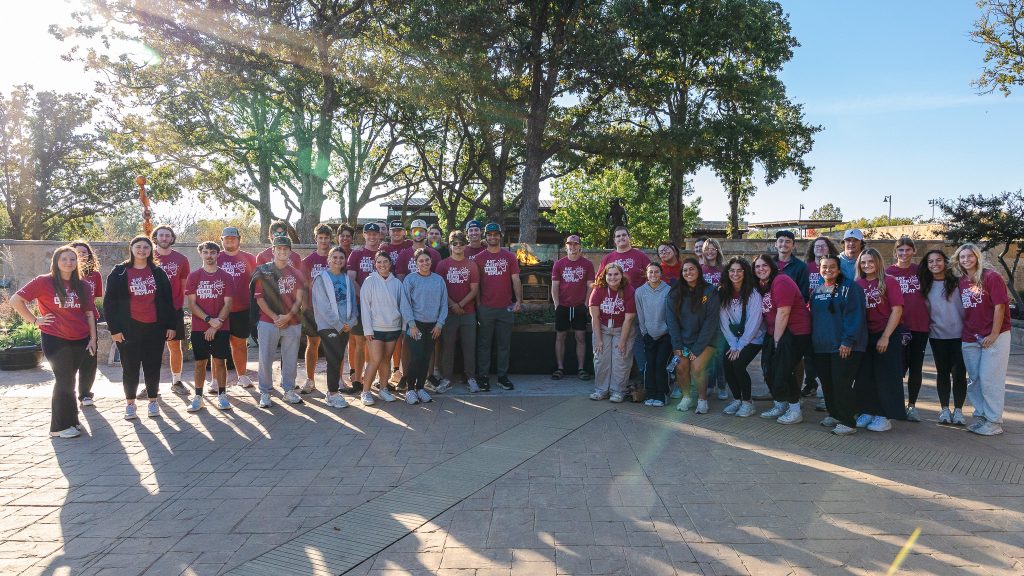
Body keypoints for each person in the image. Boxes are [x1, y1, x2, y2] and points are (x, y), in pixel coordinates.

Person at [11, 245, 97, 438]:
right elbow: (16, 300)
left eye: (72, 259)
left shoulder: (83, 285)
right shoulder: (44, 281)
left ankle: (72, 421)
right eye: (64, 259)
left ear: (77, 263)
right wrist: (35, 320)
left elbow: (89, 313)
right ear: (56, 262)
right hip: (55, 338)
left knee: (70, 380)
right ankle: (58, 428)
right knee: (64, 379)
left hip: (80, 338)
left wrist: (93, 338)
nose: (68, 262)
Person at [104, 236, 176, 419]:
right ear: (131, 248)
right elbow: (109, 303)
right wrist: (115, 330)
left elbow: (168, 301)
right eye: (138, 246)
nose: (142, 250)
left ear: (151, 250)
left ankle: (153, 402)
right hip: (129, 329)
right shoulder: (119, 272)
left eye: (146, 247)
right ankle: (130, 404)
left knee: (152, 366)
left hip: (155, 328)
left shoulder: (158, 272)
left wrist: (171, 325)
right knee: (130, 367)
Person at [954, 243, 1012, 436]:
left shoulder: (991, 277)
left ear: (977, 257)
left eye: (970, 256)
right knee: (976, 379)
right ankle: (981, 416)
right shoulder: (962, 281)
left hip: (995, 335)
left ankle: (994, 421)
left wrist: (994, 334)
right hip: (971, 336)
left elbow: (1000, 306)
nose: (966, 260)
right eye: (962, 257)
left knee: (990, 378)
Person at [809, 254, 867, 436]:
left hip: (843, 346)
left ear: (839, 268)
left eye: (832, 266)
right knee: (827, 383)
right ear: (819, 269)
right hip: (821, 347)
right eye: (824, 267)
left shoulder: (850, 288)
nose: (828, 270)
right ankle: (835, 414)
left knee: (841, 383)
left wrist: (848, 340)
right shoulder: (817, 290)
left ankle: (848, 421)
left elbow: (855, 315)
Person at [753, 254, 811, 424]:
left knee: (785, 371)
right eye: (757, 266)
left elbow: (784, 312)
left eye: (764, 265)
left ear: (772, 266)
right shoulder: (764, 285)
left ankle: (794, 410)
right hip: (776, 332)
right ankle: (780, 404)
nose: (761, 269)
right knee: (769, 369)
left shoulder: (781, 281)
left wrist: (777, 340)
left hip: (794, 332)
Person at [853, 247, 906, 432]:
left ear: (878, 262)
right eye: (863, 262)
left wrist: (885, 336)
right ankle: (867, 410)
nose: (867, 265)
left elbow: (897, 310)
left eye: (870, 261)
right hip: (865, 336)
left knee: (886, 376)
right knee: (865, 376)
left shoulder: (889, 282)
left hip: (886, 333)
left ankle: (884, 415)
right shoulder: (858, 284)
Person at [253, 235, 306, 409]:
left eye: (286, 249)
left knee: (290, 358)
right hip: (268, 321)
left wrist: (288, 317)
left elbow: (299, 300)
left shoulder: (296, 273)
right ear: (273, 250)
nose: (282, 251)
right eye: (279, 248)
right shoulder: (264, 271)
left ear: (290, 252)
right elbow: (259, 299)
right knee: (265, 358)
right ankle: (265, 392)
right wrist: (276, 318)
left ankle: (289, 390)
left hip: (292, 321)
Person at [472, 222, 523, 391]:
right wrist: (479, 306)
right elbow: (476, 285)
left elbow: (516, 279)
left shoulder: (509, 256)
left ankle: (502, 377)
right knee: (484, 345)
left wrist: (518, 301)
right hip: (486, 307)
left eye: (495, 234)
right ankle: (483, 377)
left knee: (504, 345)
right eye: (489, 235)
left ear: (500, 236)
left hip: (505, 308)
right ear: (485, 237)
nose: (492, 237)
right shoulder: (479, 258)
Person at [184, 242, 234, 412]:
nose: (209, 256)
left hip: (221, 326)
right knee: (200, 363)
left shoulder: (226, 276)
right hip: (199, 327)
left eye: (213, 252)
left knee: (220, 361)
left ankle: (222, 395)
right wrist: (207, 320)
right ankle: (198, 397)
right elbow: (191, 303)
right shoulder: (194, 276)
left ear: (218, 254)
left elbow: (228, 304)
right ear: (201, 254)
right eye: (206, 252)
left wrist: (216, 324)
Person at [919, 249, 968, 425]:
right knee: (943, 373)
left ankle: (959, 411)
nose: (934, 264)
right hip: (937, 335)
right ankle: (945, 409)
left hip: (961, 335)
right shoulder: (925, 284)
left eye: (938, 260)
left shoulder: (957, 282)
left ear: (945, 262)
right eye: (930, 261)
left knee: (960, 373)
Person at [666, 258, 720, 413]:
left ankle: (702, 400)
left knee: (697, 367)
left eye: (692, 269)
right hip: (683, 340)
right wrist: (677, 346)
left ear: (698, 271)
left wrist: (697, 349)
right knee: (681, 367)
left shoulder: (710, 291)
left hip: (706, 340)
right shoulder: (674, 293)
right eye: (685, 270)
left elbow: (711, 323)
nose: (688, 272)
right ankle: (687, 397)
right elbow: (672, 322)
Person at [886, 237, 930, 422]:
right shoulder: (889, 272)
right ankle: (894, 405)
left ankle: (911, 406)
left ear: (914, 251)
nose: (904, 254)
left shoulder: (921, 271)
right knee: (895, 368)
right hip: (898, 326)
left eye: (908, 250)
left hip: (920, 325)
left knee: (916, 367)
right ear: (895, 252)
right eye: (900, 250)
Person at [600, 226, 651, 381]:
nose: (621, 238)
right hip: (614, 309)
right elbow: (600, 282)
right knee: (619, 344)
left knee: (637, 342)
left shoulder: (640, 256)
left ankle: (643, 375)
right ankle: (619, 378)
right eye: (618, 236)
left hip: (637, 307)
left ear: (629, 237)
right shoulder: (608, 258)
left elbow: (652, 277)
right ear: (614, 239)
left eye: (624, 235)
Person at [718, 257, 765, 418]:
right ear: (727, 272)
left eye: (739, 270)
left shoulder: (753, 293)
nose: (735, 274)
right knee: (727, 362)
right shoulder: (724, 292)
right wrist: (732, 344)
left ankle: (748, 402)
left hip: (753, 337)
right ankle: (737, 399)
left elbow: (755, 321)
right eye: (732, 270)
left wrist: (740, 346)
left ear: (745, 272)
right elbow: (724, 321)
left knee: (738, 364)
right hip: (734, 338)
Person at [400, 249, 448, 404]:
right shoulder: (410, 279)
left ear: (431, 261)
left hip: (433, 326)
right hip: (416, 325)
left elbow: (444, 304)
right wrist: (411, 325)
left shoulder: (438, 280)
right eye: (421, 261)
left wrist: (440, 324)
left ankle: (421, 388)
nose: (424, 263)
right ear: (416, 263)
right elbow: (405, 303)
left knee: (426, 358)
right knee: (416, 357)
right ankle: (410, 390)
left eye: (427, 260)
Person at [312, 246, 358, 409]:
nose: (338, 260)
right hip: (329, 326)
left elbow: (353, 303)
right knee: (333, 359)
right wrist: (339, 325)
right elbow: (323, 307)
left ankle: (332, 392)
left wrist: (351, 322)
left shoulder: (346, 279)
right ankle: (332, 394)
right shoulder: (321, 278)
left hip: (345, 326)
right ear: (329, 259)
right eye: (335, 257)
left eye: (341, 258)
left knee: (338, 358)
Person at [437, 231, 480, 392]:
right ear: (450, 245)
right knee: (447, 346)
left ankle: (470, 377)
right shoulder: (443, 265)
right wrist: (453, 305)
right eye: (455, 243)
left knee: (469, 346)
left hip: (468, 312)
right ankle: (446, 378)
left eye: (461, 243)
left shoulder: (471, 265)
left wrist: (460, 304)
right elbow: (440, 289)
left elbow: (474, 290)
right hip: (448, 313)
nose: (458, 246)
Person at [359, 251, 403, 405]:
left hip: (393, 327)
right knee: (375, 359)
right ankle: (365, 392)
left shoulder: (396, 283)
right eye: (379, 262)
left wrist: (402, 326)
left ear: (390, 264)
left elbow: (401, 305)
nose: (382, 265)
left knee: (386, 360)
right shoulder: (370, 281)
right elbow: (365, 307)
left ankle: (384, 389)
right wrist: (367, 330)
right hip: (375, 329)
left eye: (385, 261)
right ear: (375, 264)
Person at [588, 263, 636, 402]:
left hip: (622, 329)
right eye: (609, 274)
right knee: (601, 358)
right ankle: (601, 390)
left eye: (616, 274)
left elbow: (629, 318)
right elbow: (595, 317)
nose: (613, 277)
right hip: (602, 328)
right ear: (605, 276)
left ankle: (618, 391)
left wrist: (622, 342)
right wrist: (598, 339)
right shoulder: (598, 290)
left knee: (621, 359)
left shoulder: (628, 290)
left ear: (621, 275)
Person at [151, 225, 191, 396]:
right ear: (156, 238)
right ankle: (151, 384)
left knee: (175, 346)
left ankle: (177, 382)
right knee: (152, 348)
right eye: (161, 235)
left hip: (173, 309)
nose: (164, 238)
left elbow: (183, 286)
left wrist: (177, 306)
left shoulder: (181, 259)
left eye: (168, 235)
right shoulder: (147, 257)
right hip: (151, 310)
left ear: (172, 238)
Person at [216, 227, 258, 388]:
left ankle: (242, 376)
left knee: (239, 344)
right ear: (222, 240)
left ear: (239, 239)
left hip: (242, 308)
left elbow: (257, 283)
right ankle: (215, 381)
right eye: (227, 238)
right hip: (219, 310)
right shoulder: (216, 257)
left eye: (233, 238)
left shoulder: (249, 258)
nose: (230, 240)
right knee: (218, 346)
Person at [346, 222, 385, 393]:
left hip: (380, 306)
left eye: (375, 234)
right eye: (369, 234)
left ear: (380, 235)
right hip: (361, 304)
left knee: (376, 343)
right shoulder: (356, 254)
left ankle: (375, 378)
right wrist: (364, 296)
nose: (372, 237)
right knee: (360, 342)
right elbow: (351, 278)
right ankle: (357, 379)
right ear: (364, 235)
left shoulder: (384, 254)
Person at [551, 234, 596, 380]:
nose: (573, 247)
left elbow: (591, 286)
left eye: (575, 244)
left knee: (580, 337)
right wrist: (557, 305)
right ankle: (560, 368)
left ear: (580, 246)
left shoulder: (587, 265)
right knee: (560, 336)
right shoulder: (559, 264)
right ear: (566, 246)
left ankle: (581, 368)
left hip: (579, 305)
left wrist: (586, 303)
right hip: (563, 305)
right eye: (570, 244)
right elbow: (555, 286)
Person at [800, 236, 839, 400]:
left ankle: (828, 387)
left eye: (823, 246)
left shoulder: (834, 267)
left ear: (829, 249)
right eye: (817, 246)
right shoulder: (805, 267)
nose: (820, 248)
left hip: (828, 313)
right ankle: (811, 384)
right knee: (809, 353)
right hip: (809, 312)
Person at [299, 223, 334, 395]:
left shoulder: (336, 258)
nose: (324, 241)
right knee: (313, 344)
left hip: (332, 309)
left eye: (326, 238)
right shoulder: (308, 261)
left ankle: (336, 380)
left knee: (333, 345)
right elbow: (303, 286)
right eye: (320, 238)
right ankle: (310, 379)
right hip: (313, 308)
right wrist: (305, 307)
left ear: (330, 239)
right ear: (316, 239)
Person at [635, 263, 671, 406]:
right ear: (646, 274)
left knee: (660, 364)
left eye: (656, 272)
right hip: (648, 335)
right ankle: (650, 393)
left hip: (665, 335)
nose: (653, 275)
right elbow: (640, 314)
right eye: (650, 272)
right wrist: (645, 333)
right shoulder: (639, 291)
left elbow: (671, 315)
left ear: (661, 273)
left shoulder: (668, 290)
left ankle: (661, 394)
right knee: (649, 364)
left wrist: (666, 331)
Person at [71, 240, 102, 406]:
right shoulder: (64, 273)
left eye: (85, 252)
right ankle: (68, 392)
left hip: (89, 319)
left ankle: (85, 394)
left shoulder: (95, 275)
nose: (82, 255)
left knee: (89, 356)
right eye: (78, 252)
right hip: (69, 320)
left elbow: (94, 299)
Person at [384, 220, 412, 383]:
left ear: (404, 232)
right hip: (389, 294)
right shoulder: (384, 248)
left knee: (404, 334)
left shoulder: (409, 246)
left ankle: (402, 370)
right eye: (393, 230)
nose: (396, 233)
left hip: (408, 295)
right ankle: (392, 370)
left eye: (399, 230)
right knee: (391, 334)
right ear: (389, 232)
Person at [701, 238, 729, 401]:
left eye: (713, 249)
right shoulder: (700, 269)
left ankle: (722, 385)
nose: (710, 251)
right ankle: (710, 384)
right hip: (706, 316)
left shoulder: (724, 269)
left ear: (718, 250)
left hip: (723, 315)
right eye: (707, 249)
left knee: (720, 354)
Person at [773, 230, 809, 301]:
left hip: (792, 309)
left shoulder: (801, 267)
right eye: (781, 241)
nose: (784, 244)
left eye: (788, 241)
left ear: (793, 246)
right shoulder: (768, 265)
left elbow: (804, 295)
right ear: (776, 244)